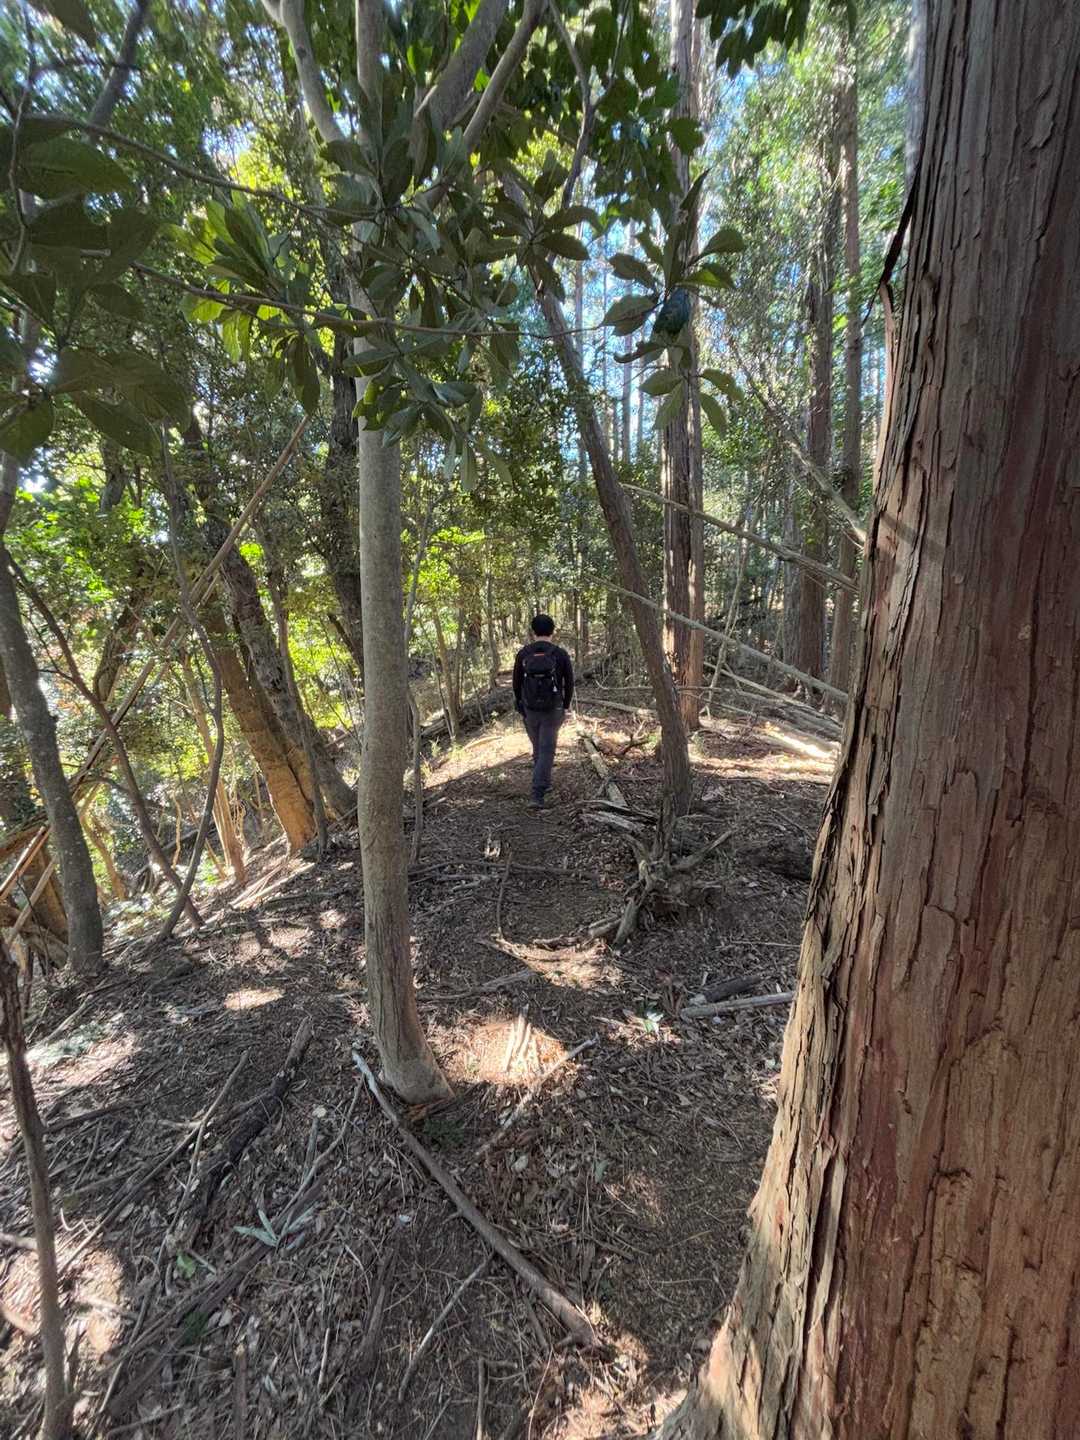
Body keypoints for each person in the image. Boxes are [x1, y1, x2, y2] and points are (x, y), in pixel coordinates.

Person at [512, 614, 574, 810]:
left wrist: (520, 704)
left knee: (539, 747)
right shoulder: (560, 654)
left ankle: (543, 783)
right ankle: (537, 794)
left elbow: (516, 683)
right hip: (553, 709)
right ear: (553, 631)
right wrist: (566, 705)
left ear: (533, 631)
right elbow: (569, 682)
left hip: (530, 710)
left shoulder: (523, 654)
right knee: (547, 749)